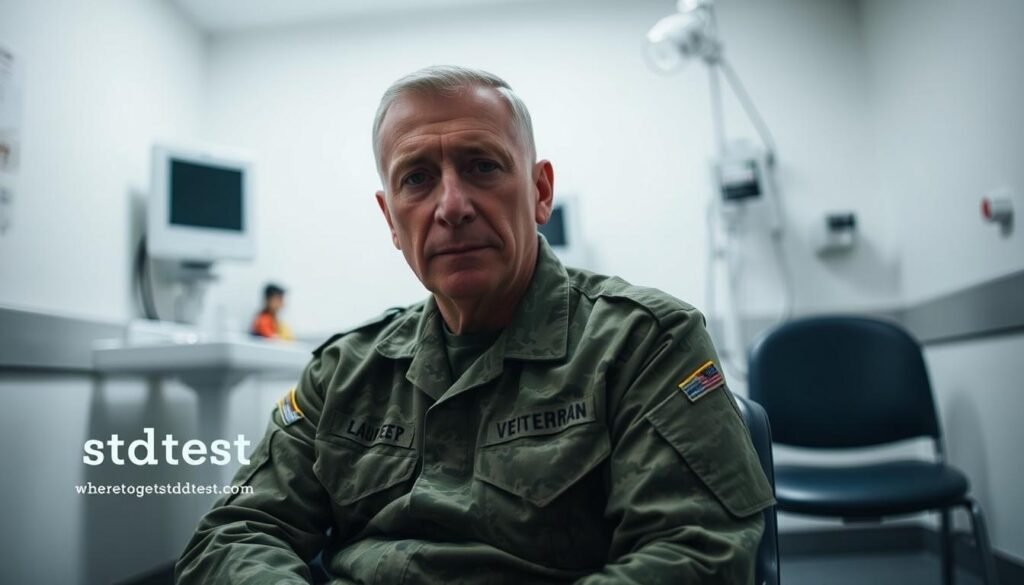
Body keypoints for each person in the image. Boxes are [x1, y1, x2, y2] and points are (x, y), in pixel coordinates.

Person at [177, 65, 773, 584]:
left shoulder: (645, 343)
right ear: (390, 218)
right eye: (416, 178)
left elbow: (698, 556)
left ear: (540, 192)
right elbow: (235, 533)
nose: (452, 206)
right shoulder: (342, 371)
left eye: (482, 166)